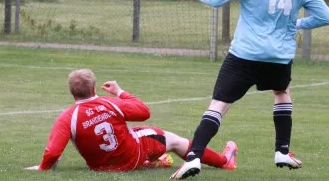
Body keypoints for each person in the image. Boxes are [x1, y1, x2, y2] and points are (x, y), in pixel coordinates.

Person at [171, 0, 329, 180]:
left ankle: (193, 156)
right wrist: (297, 24)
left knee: (219, 104)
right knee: (281, 92)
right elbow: (325, 17)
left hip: (245, 54)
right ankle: (282, 151)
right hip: (278, 57)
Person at [25, 69, 238, 172]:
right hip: (130, 158)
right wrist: (120, 92)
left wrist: (43, 167)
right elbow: (144, 111)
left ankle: (153, 159)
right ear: (94, 88)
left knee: (135, 131)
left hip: (100, 166)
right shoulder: (110, 103)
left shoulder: (67, 117)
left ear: (71, 92)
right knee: (173, 140)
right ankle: (224, 161)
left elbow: (53, 152)